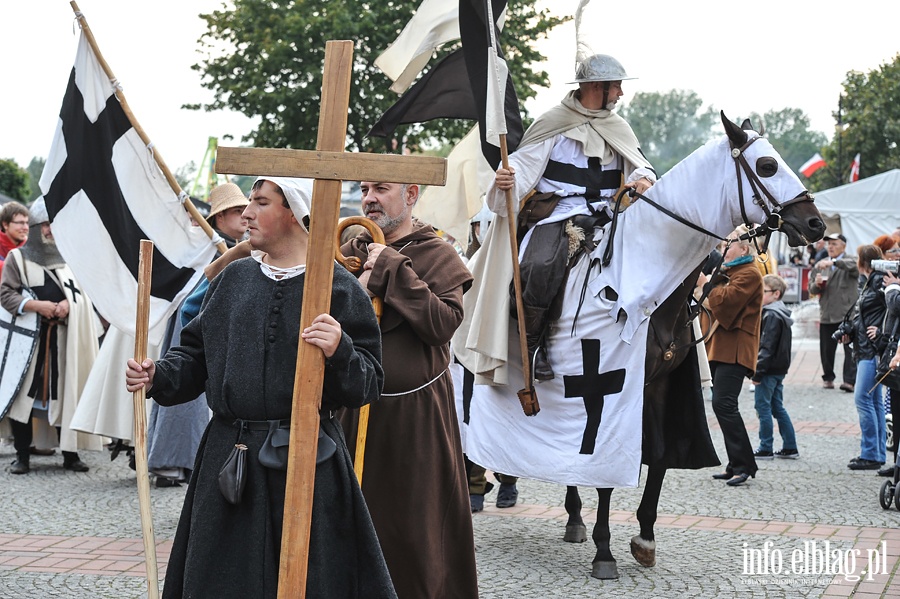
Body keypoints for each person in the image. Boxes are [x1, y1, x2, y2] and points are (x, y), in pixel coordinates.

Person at [125, 176, 396, 599]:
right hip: (231, 459)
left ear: (292, 212)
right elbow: (195, 357)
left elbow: (368, 383)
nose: (246, 214)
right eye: (249, 203)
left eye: (260, 203)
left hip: (310, 460)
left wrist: (340, 350)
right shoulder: (234, 280)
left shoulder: (338, 287)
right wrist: (158, 375)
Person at [338, 180, 478, 598]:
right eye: (364, 189)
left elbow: (441, 324)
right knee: (351, 524)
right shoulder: (351, 247)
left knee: (416, 531)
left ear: (411, 195)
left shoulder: (436, 253)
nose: (369, 198)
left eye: (381, 189)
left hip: (416, 419)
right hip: (353, 410)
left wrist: (393, 270)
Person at [491, 53, 656, 381]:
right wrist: (506, 179)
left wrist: (644, 180)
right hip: (560, 213)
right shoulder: (553, 123)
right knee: (538, 266)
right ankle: (534, 345)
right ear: (597, 86)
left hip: (608, 213)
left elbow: (639, 163)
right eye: (617, 86)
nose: (621, 93)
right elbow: (522, 167)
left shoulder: (617, 126)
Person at [1, 198, 101, 474]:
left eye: (54, 224)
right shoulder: (17, 258)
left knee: (67, 394)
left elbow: (88, 295)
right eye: (45, 225)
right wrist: (36, 306)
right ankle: (22, 455)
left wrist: (72, 304)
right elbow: (6, 294)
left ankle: (70, 454)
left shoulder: (71, 259)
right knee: (24, 397)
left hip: (64, 340)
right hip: (30, 341)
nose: (50, 230)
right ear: (34, 227)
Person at [697, 231, 762, 486]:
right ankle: (737, 462)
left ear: (744, 250)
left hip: (735, 350)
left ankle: (744, 464)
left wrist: (704, 283)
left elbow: (724, 303)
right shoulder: (730, 272)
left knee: (724, 404)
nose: (724, 248)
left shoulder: (749, 274)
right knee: (722, 405)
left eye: (729, 245)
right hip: (723, 349)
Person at [847, 244, 887, 471]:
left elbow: (893, 309)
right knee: (873, 401)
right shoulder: (871, 281)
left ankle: (871, 453)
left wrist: (881, 330)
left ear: (862, 261)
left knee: (863, 399)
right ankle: (876, 452)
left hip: (872, 349)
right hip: (866, 347)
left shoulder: (879, 281)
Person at [751, 274, 798, 460]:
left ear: (776, 294)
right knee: (777, 407)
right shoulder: (781, 313)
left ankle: (765, 447)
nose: (759, 295)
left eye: (763, 292)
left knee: (762, 407)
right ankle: (790, 446)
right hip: (779, 369)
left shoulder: (771, 314)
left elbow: (766, 347)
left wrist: (758, 372)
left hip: (769, 370)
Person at [808, 233, 859, 392]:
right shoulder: (820, 264)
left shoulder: (851, 260)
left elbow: (855, 266)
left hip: (847, 315)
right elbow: (811, 288)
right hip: (827, 313)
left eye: (835, 244)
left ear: (843, 246)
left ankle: (849, 381)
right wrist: (816, 285)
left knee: (849, 348)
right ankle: (828, 378)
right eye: (829, 244)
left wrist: (834, 262)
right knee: (826, 350)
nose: (830, 247)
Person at [206, 182, 249, 247]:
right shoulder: (209, 248)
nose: (245, 215)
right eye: (238, 211)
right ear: (220, 216)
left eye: (246, 210)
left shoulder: (253, 246)